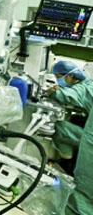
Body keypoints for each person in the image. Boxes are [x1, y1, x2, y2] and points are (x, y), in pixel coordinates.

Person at [45, 60, 93, 215]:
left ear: (70, 76)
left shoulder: (85, 88)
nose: (57, 80)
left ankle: (66, 161)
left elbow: (66, 95)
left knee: (62, 129)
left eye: (59, 77)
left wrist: (53, 92)